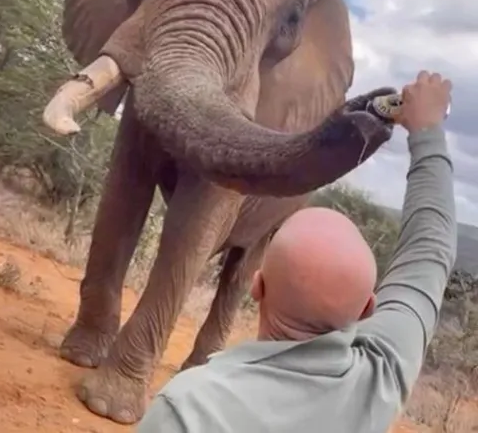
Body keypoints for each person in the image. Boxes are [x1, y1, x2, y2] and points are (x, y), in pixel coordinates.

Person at [136, 70, 456, 433]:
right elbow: (430, 248)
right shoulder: (378, 382)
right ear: (368, 309)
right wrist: (428, 132)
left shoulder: (187, 409)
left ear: (257, 286)